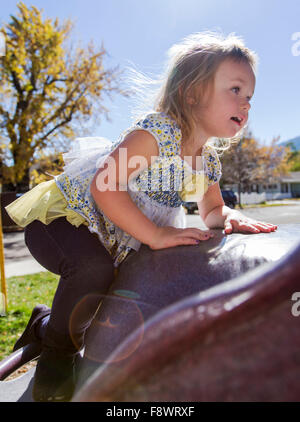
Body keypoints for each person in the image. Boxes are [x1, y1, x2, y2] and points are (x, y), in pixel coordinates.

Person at [6, 31, 277, 402]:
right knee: (93, 270)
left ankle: (45, 324)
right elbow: (105, 186)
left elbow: (211, 208)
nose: (245, 104)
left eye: (250, 97)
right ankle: (57, 357)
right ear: (192, 93)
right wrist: (154, 234)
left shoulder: (208, 162)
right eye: (235, 90)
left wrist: (228, 216)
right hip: (65, 222)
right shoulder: (158, 132)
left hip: (115, 236)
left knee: (114, 288)